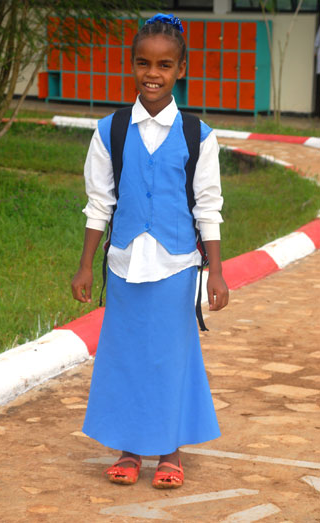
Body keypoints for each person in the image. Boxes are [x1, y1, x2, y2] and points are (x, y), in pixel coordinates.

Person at [71, 13, 229, 489]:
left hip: (177, 265)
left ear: (181, 69)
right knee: (124, 355)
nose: (152, 73)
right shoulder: (110, 132)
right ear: (133, 65)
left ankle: (170, 451)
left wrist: (216, 272)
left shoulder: (198, 135)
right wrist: (84, 266)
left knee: (170, 357)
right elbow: (99, 204)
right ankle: (128, 449)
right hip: (122, 264)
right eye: (143, 63)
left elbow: (209, 207)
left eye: (164, 64)